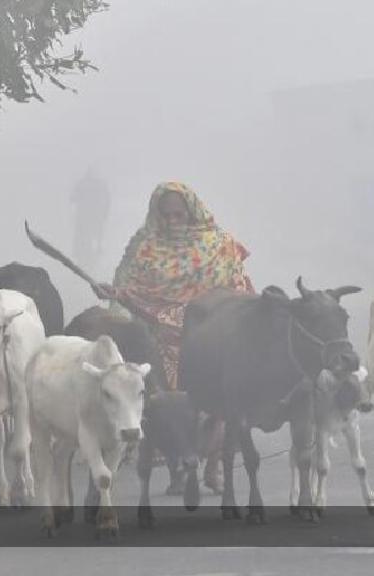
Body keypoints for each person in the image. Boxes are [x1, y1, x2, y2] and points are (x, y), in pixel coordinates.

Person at [93, 182, 254, 492]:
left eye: (178, 214)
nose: (172, 221)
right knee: (168, 410)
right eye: (165, 215)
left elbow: (238, 291)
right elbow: (127, 289)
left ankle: (216, 466)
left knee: (220, 405)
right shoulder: (144, 246)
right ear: (156, 214)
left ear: (192, 211)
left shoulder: (220, 245)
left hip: (210, 339)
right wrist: (113, 295)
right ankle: (177, 469)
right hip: (161, 343)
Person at [70, 169, 111, 277]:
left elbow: (73, 198)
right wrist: (105, 213)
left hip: (85, 216)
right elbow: (107, 200)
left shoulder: (83, 183)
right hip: (95, 215)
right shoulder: (100, 184)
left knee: (83, 237)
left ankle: (86, 254)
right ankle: (96, 251)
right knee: (95, 236)